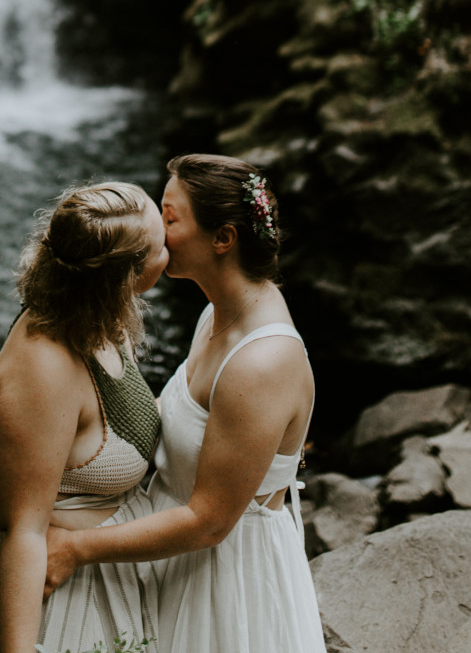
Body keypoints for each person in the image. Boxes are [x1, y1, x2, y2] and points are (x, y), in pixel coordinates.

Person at [45, 153, 328, 653]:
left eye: (169, 218)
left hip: (222, 581)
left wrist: (73, 546)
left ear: (223, 239)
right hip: (170, 555)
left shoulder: (261, 363)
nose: (153, 230)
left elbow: (211, 521)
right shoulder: (216, 316)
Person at [0, 181, 168, 653]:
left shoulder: (96, 316)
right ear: (124, 278)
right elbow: (23, 534)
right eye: (161, 245)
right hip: (44, 598)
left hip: (95, 578)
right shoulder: (44, 371)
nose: (172, 247)